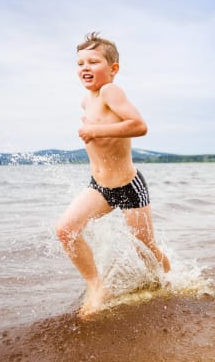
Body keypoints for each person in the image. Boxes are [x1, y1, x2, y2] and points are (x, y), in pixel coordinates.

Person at [55, 32, 171, 317]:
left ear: (113, 69)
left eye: (93, 62)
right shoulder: (87, 100)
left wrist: (95, 131)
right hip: (99, 187)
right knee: (65, 231)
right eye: (80, 63)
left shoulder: (111, 92)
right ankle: (97, 286)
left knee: (145, 246)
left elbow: (139, 125)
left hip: (129, 187)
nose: (85, 67)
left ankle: (170, 281)